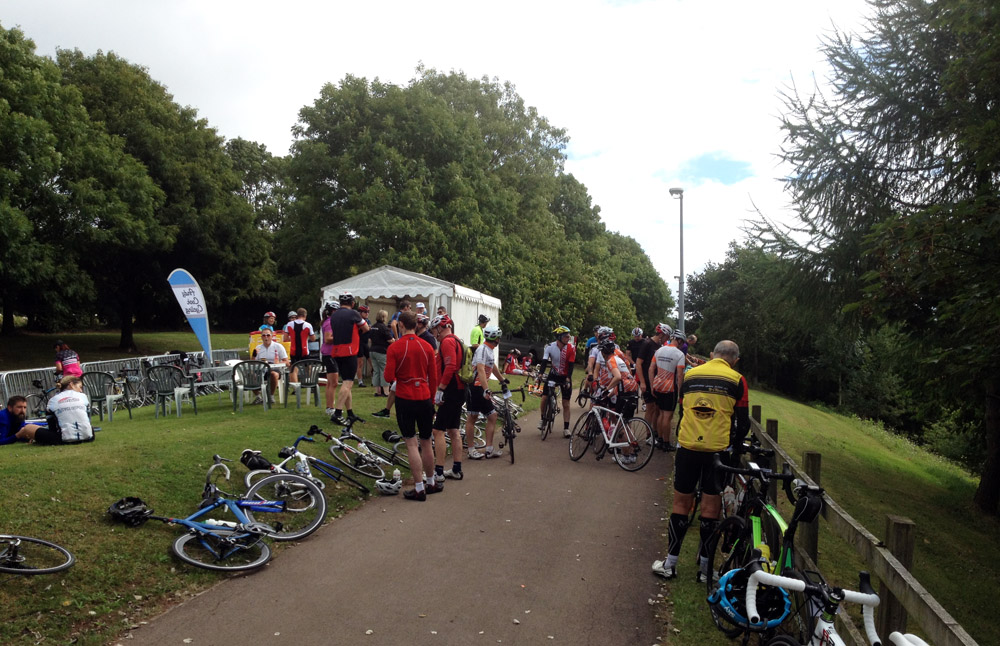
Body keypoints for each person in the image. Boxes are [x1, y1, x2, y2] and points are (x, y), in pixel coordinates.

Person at [652, 340, 749, 582]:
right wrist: (735, 447)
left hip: (688, 446)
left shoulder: (691, 375)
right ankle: (705, 571)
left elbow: (683, 408)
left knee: (680, 504)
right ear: (735, 360)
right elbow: (743, 422)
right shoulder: (738, 379)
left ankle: (670, 563)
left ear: (712, 354)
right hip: (717, 450)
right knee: (710, 508)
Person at [383, 310, 439, 500]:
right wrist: (432, 399)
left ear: (401, 325)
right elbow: (433, 378)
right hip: (424, 396)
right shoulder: (427, 346)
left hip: (405, 397)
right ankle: (431, 482)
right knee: (426, 441)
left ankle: (419, 487)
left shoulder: (395, 347)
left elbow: (388, 376)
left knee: (411, 442)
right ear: (416, 325)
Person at [429, 314, 466, 482]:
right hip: (458, 389)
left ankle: (438, 472)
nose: (433, 334)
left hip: (451, 390)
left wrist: (441, 389)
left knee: (438, 431)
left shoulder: (447, 342)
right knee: (453, 430)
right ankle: (456, 469)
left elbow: (450, 366)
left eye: (434, 330)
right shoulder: (457, 340)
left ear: (440, 327)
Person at [465, 325, 507, 459]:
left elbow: (492, 366)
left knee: (492, 416)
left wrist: (502, 380)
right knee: (472, 417)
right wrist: (486, 389)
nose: (500, 340)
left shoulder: (489, 350)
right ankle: (471, 450)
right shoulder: (482, 349)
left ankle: (489, 449)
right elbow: (481, 369)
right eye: (499, 338)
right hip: (475, 388)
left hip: (480, 388)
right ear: (496, 339)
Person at [328, 293, 370, 425]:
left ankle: (350, 412)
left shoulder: (334, 315)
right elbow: (366, 328)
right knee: (348, 383)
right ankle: (338, 413)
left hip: (336, 351)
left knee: (346, 382)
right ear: (352, 303)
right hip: (350, 350)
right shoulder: (353, 314)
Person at [15, 377, 94, 445]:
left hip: (63, 439)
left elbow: (52, 427)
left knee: (28, 428)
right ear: (71, 385)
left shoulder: (53, 400)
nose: (81, 390)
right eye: (80, 387)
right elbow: (88, 420)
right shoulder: (83, 396)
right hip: (89, 436)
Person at [536, 325, 577, 437]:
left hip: (565, 376)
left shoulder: (571, 348)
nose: (569, 338)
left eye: (569, 336)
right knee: (544, 398)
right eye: (566, 336)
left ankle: (566, 428)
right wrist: (540, 374)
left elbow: (571, 365)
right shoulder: (549, 346)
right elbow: (544, 362)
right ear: (559, 337)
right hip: (553, 375)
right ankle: (542, 419)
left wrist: (568, 378)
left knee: (566, 403)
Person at [649, 330, 687, 451]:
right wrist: (680, 392)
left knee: (660, 413)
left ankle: (660, 439)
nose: (682, 345)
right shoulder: (679, 354)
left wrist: (652, 386)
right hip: (670, 388)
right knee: (667, 416)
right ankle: (666, 443)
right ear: (679, 340)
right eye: (682, 343)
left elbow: (651, 369)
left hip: (657, 385)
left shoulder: (659, 350)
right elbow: (679, 375)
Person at [635, 323, 671, 439]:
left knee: (657, 408)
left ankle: (654, 431)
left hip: (656, 381)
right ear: (661, 334)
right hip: (646, 379)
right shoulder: (647, 343)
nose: (667, 339)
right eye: (667, 337)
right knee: (650, 407)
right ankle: (648, 434)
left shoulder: (660, 345)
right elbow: (638, 364)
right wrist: (642, 382)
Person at [253, 329, 290, 403]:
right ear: (261, 337)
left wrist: (278, 363)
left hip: (274, 368)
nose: (266, 337)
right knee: (250, 375)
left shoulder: (278, 346)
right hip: (261, 369)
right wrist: (254, 355)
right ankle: (258, 396)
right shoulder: (258, 347)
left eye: (268, 335)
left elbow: (287, 362)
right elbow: (253, 362)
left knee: (274, 374)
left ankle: (271, 396)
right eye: (264, 335)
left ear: (272, 336)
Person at [284, 308, 316, 384]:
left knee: (294, 368)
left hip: (294, 350)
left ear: (297, 315)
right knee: (308, 367)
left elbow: (285, 338)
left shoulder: (289, 324)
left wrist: (292, 337)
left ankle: (295, 387)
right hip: (304, 350)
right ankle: (309, 383)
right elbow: (313, 339)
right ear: (305, 315)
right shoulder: (308, 325)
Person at [320, 301, 340, 416]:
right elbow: (328, 339)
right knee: (334, 383)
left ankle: (329, 406)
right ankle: (331, 407)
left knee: (330, 382)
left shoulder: (329, 321)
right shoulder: (330, 322)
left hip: (329, 354)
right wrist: (341, 336)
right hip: (330, 354)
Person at [369, 310, 393, 397]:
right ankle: (386, 392)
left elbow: (370, 339)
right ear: (384, 317)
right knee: (384, 370)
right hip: (381, 351)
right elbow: (390, 340)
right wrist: (395, 341)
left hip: (372, 350)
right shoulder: (384, 327)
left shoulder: (372, 327)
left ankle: (378, 392)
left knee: (376, 371)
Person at [356, 305, 372, 387]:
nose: (367, 313)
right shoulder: (358, 321)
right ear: (360, 313)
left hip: (365, 343)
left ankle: (374, 379)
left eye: (368, 312)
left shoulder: (368, 321)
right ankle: (360, 381)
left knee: (372, 361)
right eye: (365, 312)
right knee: (360, 363)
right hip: (359, 343)